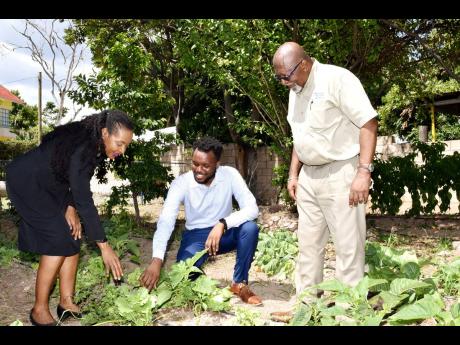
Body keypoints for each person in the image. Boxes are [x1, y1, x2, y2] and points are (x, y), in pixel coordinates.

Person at [5, 109, 134, 326]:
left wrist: (70, 206)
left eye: (126, 146)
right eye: (119, 143)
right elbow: (84, 196)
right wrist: (104, 246)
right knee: (57, 241)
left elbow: (71, 177)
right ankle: (39, 309)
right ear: (104, 132)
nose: (122, 150)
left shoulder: (90, 143)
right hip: (28, 183)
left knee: (73, 233)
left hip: (51, 186)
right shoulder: (85, 148)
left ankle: (66, 302)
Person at [272, 42, 378, 300]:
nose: (284, 82)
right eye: (279, 77)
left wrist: (363, 172)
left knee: (348, 248)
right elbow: (301, 134)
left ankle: (349, 310)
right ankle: (307, 306)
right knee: (308, 247)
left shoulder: (337, 79)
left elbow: (368, 122)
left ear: (304, 64)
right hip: (309, 177)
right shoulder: (295, 89)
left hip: (341, 173)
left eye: (286, 75)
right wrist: (293, 174)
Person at [140, 137, 262, 305]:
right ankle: (201, 280)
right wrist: (157, 260)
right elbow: (166, 221)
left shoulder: (229, 175)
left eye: (205, 166)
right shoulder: (181, 183)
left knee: (250, 228)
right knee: (185, 278)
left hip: (224, 234)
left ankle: (239, 284)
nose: (199, 170)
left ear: (217, 164)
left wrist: (223, 223)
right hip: (196, 238)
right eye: (195, 164)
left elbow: (252, 208)